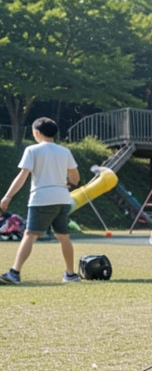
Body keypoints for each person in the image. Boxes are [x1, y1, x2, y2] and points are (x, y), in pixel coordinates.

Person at [0, 118, 80, 285]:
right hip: (63, 198)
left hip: (41, 198)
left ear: (36, 132)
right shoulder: (65, 151)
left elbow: (22, 176)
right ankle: (71, 274)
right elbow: (75, 178)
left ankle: (14, 273)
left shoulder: (32, 150)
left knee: (30, 234)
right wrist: (65, 185)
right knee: (63, 236)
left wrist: (7, 196)